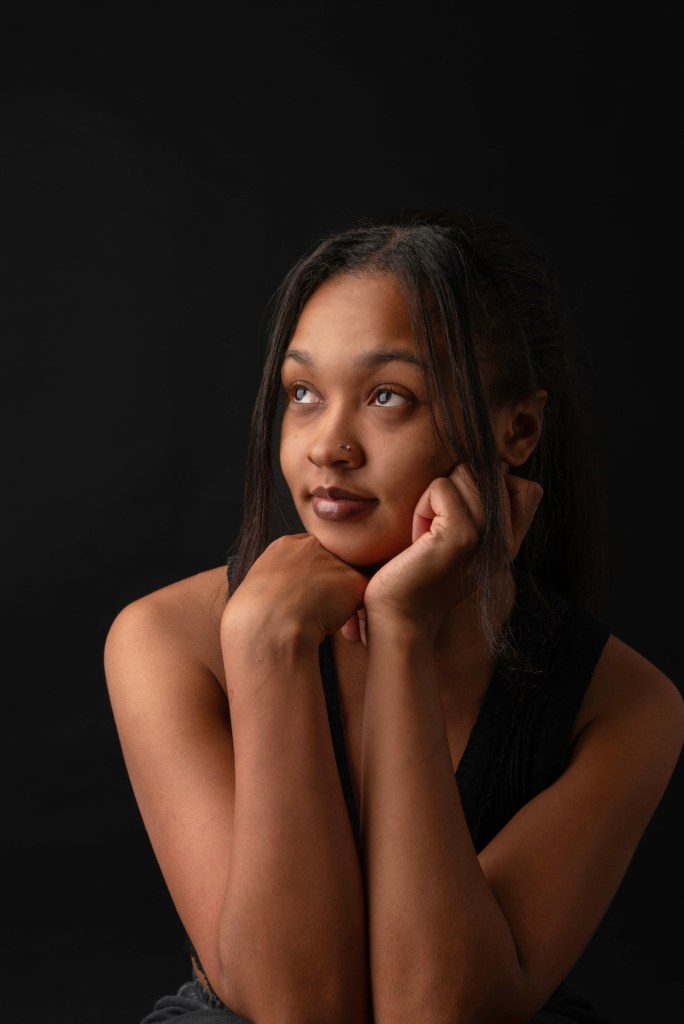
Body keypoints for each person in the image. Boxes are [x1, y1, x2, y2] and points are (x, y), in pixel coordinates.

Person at [104, 209, 683, 1024]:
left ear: (518, 428)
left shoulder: (623, 704)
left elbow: (436, 1010)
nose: (328, 446)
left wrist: (403, 634)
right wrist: (266, 650)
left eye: (387, 397)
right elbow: (292, 1009)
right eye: (304, 393)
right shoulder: (167, 640)